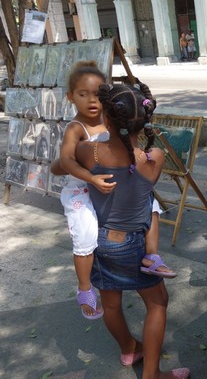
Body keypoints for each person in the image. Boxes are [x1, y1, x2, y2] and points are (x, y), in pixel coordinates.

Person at [76, 82, 189, 378]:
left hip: (100, 242)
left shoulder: (90, 153)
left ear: (107, 118)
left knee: (111, 304)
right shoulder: (154, 158)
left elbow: (60, 165)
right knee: (158, 302)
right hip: (133, 245)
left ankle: (129, 347)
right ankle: (152, 374)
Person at [52, 62, 176, 319]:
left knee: (153, 205)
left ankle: (152, 256)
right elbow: (63, 162)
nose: (91, 100)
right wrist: (91, 178)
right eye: (82, 94)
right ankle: (84, 287)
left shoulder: (107, 121)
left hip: (106, 186)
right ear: (70, 97)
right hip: (81, 189)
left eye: (97, 93)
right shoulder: (76, 128)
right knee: (85, 234)